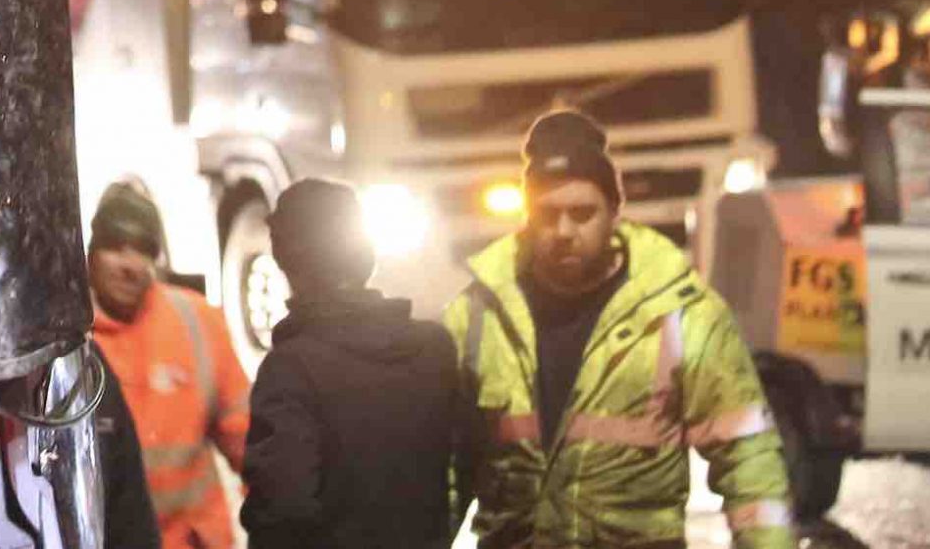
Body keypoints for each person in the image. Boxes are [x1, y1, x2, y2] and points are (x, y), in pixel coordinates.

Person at [445, 110, 795, 549]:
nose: (563, 230)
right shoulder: (478, 317)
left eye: (581, 213)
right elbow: (443, 472)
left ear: (615, 211)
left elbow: (748, 457)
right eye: (547, 214)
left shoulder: (681, 312)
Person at [239, 179, 466, 549]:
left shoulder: (292, 369)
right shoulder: (434, 350)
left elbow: (282, 507)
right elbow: (465, 471)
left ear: (285, 259)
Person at [88, 181, 250, 549]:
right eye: (116, 247)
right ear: (90, 253)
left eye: (145, 250)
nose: (131, 265)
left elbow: (253, 445)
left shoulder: (196, 321)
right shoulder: (64, 342)